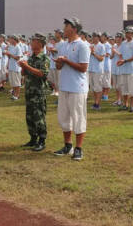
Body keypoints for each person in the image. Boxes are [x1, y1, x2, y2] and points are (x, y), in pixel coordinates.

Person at [53, 17, 90, 161]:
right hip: (64, 86)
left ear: (74, 29)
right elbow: (59, 67)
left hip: (77, 87)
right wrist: (59, 63)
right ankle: (68, 145)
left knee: (78, 118)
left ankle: (79, 148)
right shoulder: (62, 46)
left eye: (67, 25)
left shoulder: (82, 45)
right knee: (64, 117)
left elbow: (83, 68)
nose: (64, 28)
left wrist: (66, 61)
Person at [19, 33, 50, 152]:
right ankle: (33, 138)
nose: (31, 43)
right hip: (29, 91)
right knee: (30, 116)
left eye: (34, 41)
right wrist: (23, 66)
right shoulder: (31, 57)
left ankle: (42, 140)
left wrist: (27, 66)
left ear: (40, 43)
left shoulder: (44, 58)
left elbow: (42, 73)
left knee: (39, 116)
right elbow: (24, 74)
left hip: (38, 92)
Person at [117, 26, 133, 112]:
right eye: (126, 32)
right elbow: (121, 55)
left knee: (132, 90)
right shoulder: (123, 43)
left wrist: (124, 61)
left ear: (132, 33)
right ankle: (125, 105)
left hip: (131, 70)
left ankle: (132, 106)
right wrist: (120, 61)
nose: (126, 34)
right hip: (123, 69)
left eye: (128, 32)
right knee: (124, 89)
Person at [88, 32, 105, 110]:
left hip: (98, 69)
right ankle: (95, 102)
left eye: (95, 36)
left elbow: (101, 59)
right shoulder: (91, 46)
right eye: (93, 36)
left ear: (98, 38)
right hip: (91, 69)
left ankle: (97, 104)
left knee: (98, 87)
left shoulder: (101, 46)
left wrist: (93, 53)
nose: (94, 38)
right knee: (93, 88)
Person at [4, 35, 23, 100]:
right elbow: (9, 57)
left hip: (16, 67)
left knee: (17, 82)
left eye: (11, 39)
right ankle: (14, 95)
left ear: (15, 40)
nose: (10, 40)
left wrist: (10, 55)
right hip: (11, 67)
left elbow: (18, 57)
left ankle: (17, 95)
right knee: (12, 82)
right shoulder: (11, 47)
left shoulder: (18, 47)